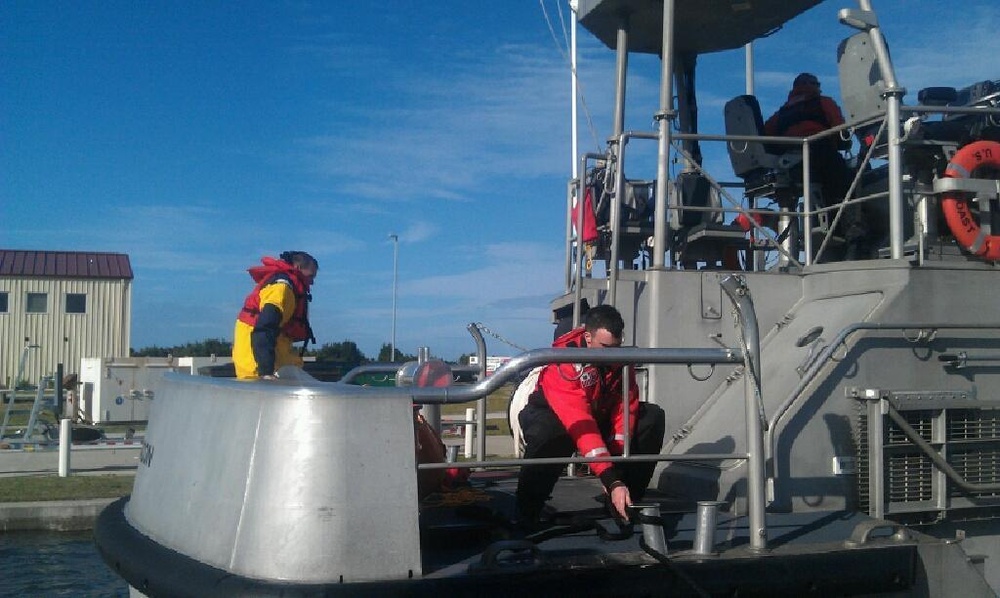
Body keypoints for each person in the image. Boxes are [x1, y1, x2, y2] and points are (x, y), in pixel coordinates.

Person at [515, 305, 665, 524]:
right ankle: (527, 511)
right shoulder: (563, 365)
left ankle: (624, 503)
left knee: (651, 416)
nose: (611, 354)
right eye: (605, 347)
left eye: (616, 347)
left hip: (596, 414)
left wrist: (616, 469)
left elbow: (625, 407)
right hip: (553, 414)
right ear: (587, 337)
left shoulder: (621, 361)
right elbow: (579, 421)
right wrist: (609, 476)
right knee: (551, 433)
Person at [764, 73, 869, 258]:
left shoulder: (780, 115)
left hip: (790, 164)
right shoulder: (823, 102)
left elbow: (766, 138)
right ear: (813, 85)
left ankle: (825, 228)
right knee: (849, 185)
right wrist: (842, 143)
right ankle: (854, 233)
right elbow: (840, 129)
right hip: (819, 152)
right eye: (817, 84)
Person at [233, 251, 318, 380]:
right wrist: (266, 372)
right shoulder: (281, 289)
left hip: (276, 356)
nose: (311, 282)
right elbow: (264, 327)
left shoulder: (287, 287)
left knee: (298, 373)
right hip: (256, 366)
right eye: (311, 276)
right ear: (298, 268)